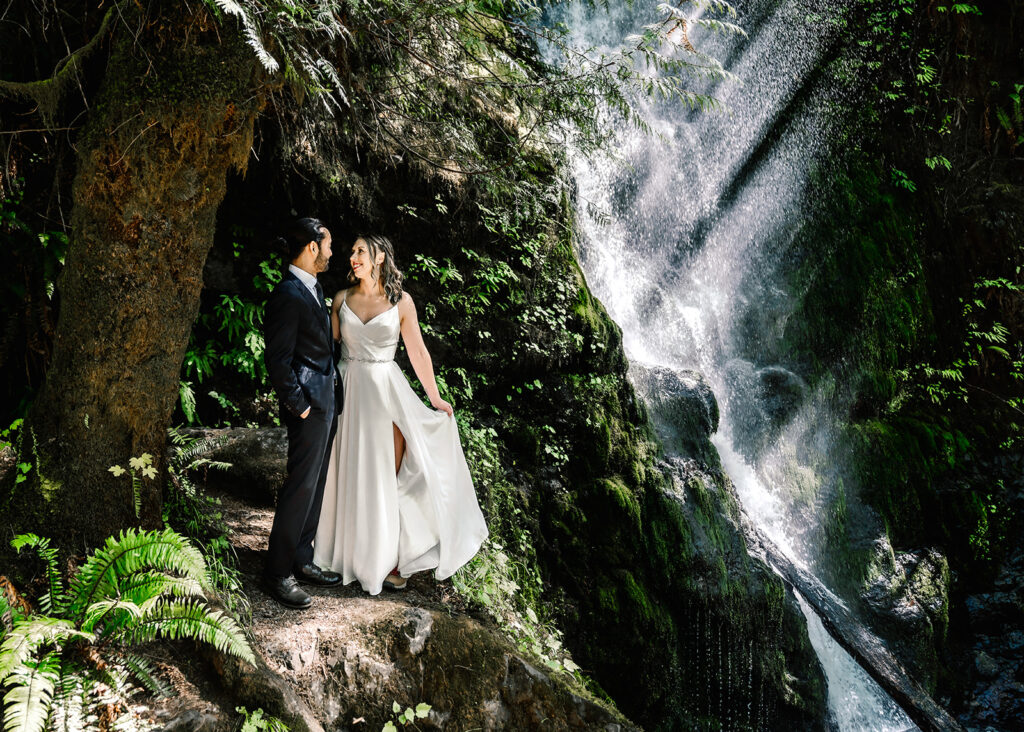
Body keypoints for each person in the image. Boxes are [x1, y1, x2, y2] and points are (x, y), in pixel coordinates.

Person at [313, 234, 488, 594]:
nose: (353, 256)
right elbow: (326, 350)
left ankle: (386, 559)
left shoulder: (401, 302)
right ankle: (339, 552)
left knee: (382, 477)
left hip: (384, 393)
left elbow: (419, 353)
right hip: (347, 389)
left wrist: (435, 398)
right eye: (352, 250)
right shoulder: (341, 299)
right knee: (344, 470)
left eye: (360, 250)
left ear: (379, 258)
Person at [262, 218, 343, 609]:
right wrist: (302, 405)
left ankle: (302, 558)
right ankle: (277, 572)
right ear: (312, 246)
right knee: (300, 487)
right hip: (309, 409)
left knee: (316, 485)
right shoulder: (287, 294)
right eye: (327, 245)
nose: (331, 252)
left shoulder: (313, 288)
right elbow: (278, 362)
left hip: (326, 404)